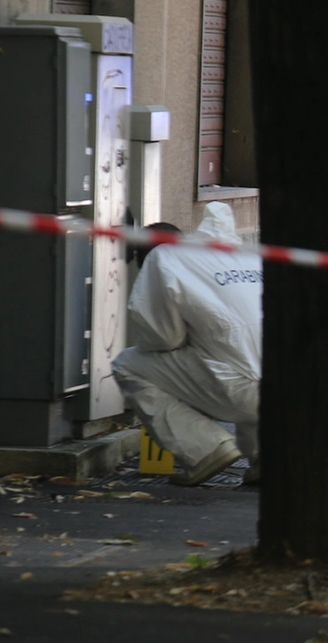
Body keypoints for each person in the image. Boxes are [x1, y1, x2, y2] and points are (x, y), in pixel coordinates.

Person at [113, 202, 262, 486]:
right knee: (238, 353)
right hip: (286, 390)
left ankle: (205, 449)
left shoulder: (163, 259)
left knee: (128, 365)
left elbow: (163, 339)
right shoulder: (241, 255)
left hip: (238, 390)